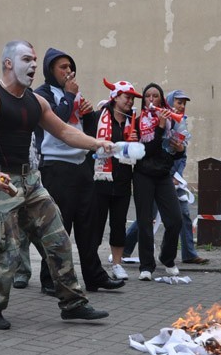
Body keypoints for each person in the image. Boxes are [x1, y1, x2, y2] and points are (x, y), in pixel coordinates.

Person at [0, 40, 111, 330]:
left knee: (58, 238)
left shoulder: (36, 101)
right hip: (1, 180)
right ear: (8, 63)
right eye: (26, 59)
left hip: (31, 180)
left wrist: (98, 144)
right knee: (5, 249)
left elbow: (65, 131)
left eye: (34, 60)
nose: (32, 66)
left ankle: (73, 304)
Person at [35, 48, 124, 294]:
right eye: (62, 67)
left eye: (70, 67)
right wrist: (68, 96)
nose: (68, 71)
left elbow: (83, 130)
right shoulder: (41, 95)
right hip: (55, 167)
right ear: (50, 69)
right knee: (58, 227)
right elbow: (58, 124)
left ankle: (94, 276)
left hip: (80, 165)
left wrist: (87, 114)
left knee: (89, 224)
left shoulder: (73, 93)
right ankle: (49, 279)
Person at [132, 83, 184, 281]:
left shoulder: (170, 119)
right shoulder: (137, 121)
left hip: (163, 175)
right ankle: (146, 266)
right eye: (148, 96)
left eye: (156, 96)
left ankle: (167, 258)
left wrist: (180, 150)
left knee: (175, 219)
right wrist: (160, 129)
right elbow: (146, 151)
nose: (152, 99)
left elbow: (174, 153)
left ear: (162, 100)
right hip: (143, 174)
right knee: (145, 221)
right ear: (144, 100)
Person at [91, 84, 137, 281]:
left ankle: (117, 264)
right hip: (100, 180)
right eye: (127, 97)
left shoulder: (132, 123)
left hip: (122, 181)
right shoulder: (97, 118)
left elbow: (137, 154)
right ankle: (91, 263)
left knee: (118, 224)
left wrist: (135, 143)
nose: (130, 101)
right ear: (115, 97)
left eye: (132, 98)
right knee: (96, 224)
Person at [164, 90, 209, 265]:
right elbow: (160, 153)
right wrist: (169, 175)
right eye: (178, 102)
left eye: (184, 103)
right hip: (160, 179)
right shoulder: (164, 123)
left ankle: (189, 253)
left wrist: (177, 175)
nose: (182, 106)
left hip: (175, 180)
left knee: (184, 214)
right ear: (169, 103)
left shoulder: (181, 124)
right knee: (148, 217)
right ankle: (126, 249)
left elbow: (182, 156)